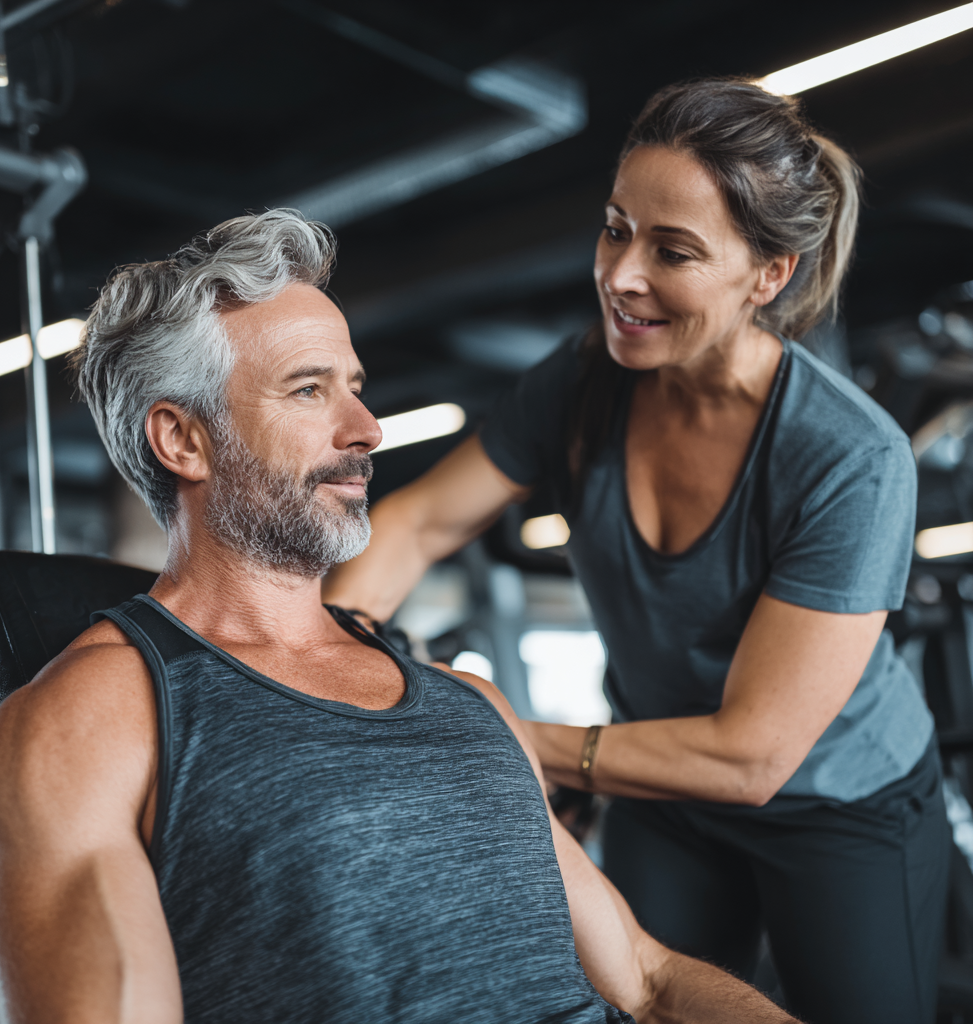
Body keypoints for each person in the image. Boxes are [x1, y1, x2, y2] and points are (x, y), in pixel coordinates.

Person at [0, 211, 796, 1024]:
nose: (366, 430)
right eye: (308, 390)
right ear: (184, 441)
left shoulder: (469, 704)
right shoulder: (86, 727)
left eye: (356, 390)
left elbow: (647, 983)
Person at [323, 79, 951, 1024]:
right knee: (631, 1004)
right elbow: (419, 525)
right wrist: (336, 647)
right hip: (665, 792)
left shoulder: (849, 458)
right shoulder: (582, 385)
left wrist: (499, 744)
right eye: (617, 229)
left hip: (835, 801)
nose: (620, 275)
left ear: (768, 274)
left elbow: (752, 755)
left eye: (674, 250)